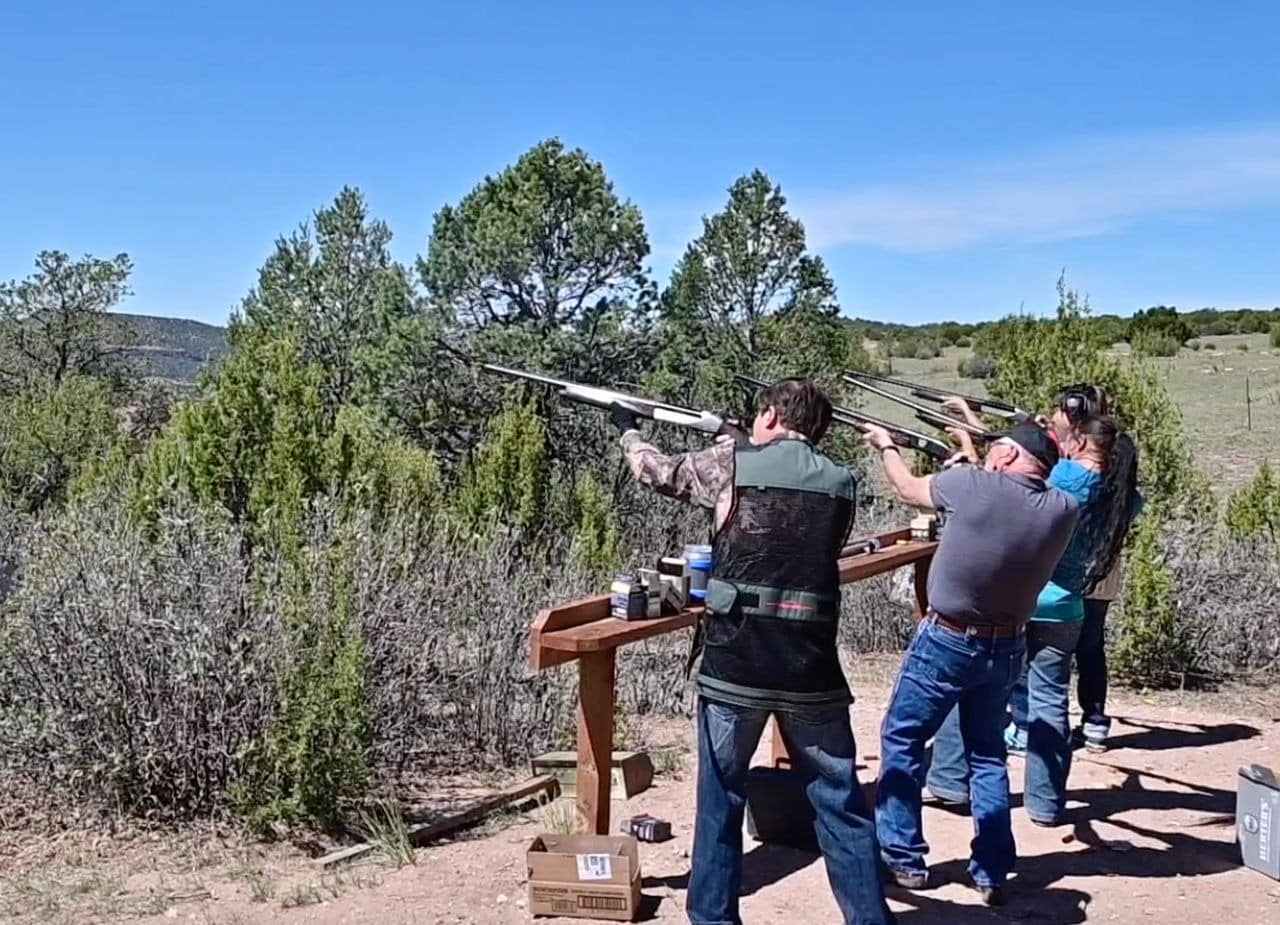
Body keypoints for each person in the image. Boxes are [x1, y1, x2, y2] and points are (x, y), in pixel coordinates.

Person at [614, 377, 895, 925]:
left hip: (735, 661)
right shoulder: (843, 482)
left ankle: (715, 918)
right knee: (841, 803)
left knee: (721, 800)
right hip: (810, 666)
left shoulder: (733, 465)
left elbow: (659, 472)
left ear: (768, 415)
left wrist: (628, 432)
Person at [864, 422, 1079, 905]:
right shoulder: (1063, 509)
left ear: (1004, 455)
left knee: (903, 739)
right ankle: (992, 869)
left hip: (948, 638)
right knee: (987, 757)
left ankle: (903, 856)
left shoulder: (971, 485)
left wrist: (887, 446)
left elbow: (908, 488)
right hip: (1007, 646)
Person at [929, 402, 1142, 828]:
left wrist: (971, 448)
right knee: (1049, 702)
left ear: (1079, 439)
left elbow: (1010, 486)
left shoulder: (1065, 478)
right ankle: (1046, 803)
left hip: (1021, 596)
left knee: (969, 681)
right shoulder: (1124, 495)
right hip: (1068, 604)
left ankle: (950, 779)